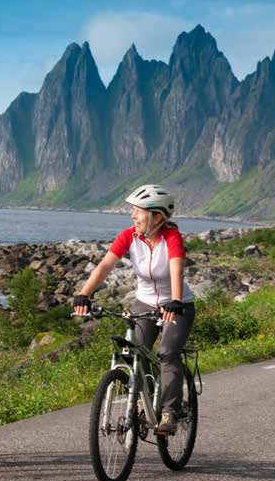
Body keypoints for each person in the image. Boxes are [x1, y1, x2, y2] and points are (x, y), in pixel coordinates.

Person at [73, 184, 194, 435]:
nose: (132, 216)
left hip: (177, 305)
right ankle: (143, 400)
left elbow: (176, 269)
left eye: (137, 211)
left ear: (157, 216)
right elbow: (105, 267)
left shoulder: (172, 237)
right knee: (134, 351)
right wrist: (84, 293)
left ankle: (171, 411)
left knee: (167, 353)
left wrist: (176, 301)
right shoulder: (128, 236)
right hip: (145, 303)